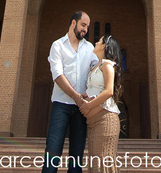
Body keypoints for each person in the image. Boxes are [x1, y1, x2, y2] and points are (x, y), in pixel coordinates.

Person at [43, 11, 96, 173]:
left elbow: (96, 70)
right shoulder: (57, 45)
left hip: (81, 109)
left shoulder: (89, 48)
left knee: (77, 154)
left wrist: (90, 91)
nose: (85, 29)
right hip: (61, 105)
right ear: (73, 23)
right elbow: (58, 76)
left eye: (87, 26)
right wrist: (76, 96)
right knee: (53, 149)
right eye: (83, 25)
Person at [80, 35, 122, 173]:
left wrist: (88, 106)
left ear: (104, 46)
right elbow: (96, 89)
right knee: (95, 165)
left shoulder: (107, 65)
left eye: (98, 41)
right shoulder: (97, 65)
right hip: (93, 122)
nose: (96, 43)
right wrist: (86, 95)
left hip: (105, 119)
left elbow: (109, 91)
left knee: (103, 164)